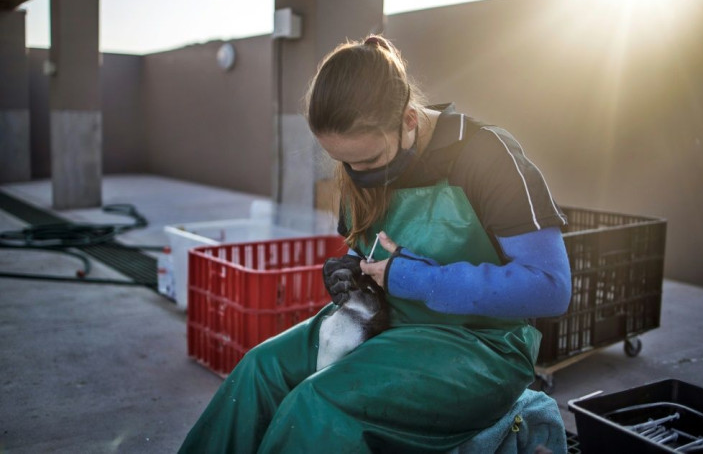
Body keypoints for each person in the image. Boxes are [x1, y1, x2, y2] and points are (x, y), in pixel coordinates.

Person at [179, 35, 572, 453]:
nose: (355, 172)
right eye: (345, 161)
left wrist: (419, 280)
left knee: (316, 406)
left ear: (407, 119)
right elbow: (365, 249)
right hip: (389, 328)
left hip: (482, 348)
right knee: (260, 370)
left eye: (367, 161)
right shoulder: (358, 161)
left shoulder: (485, 155)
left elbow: (551, 287)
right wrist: (350, 273)